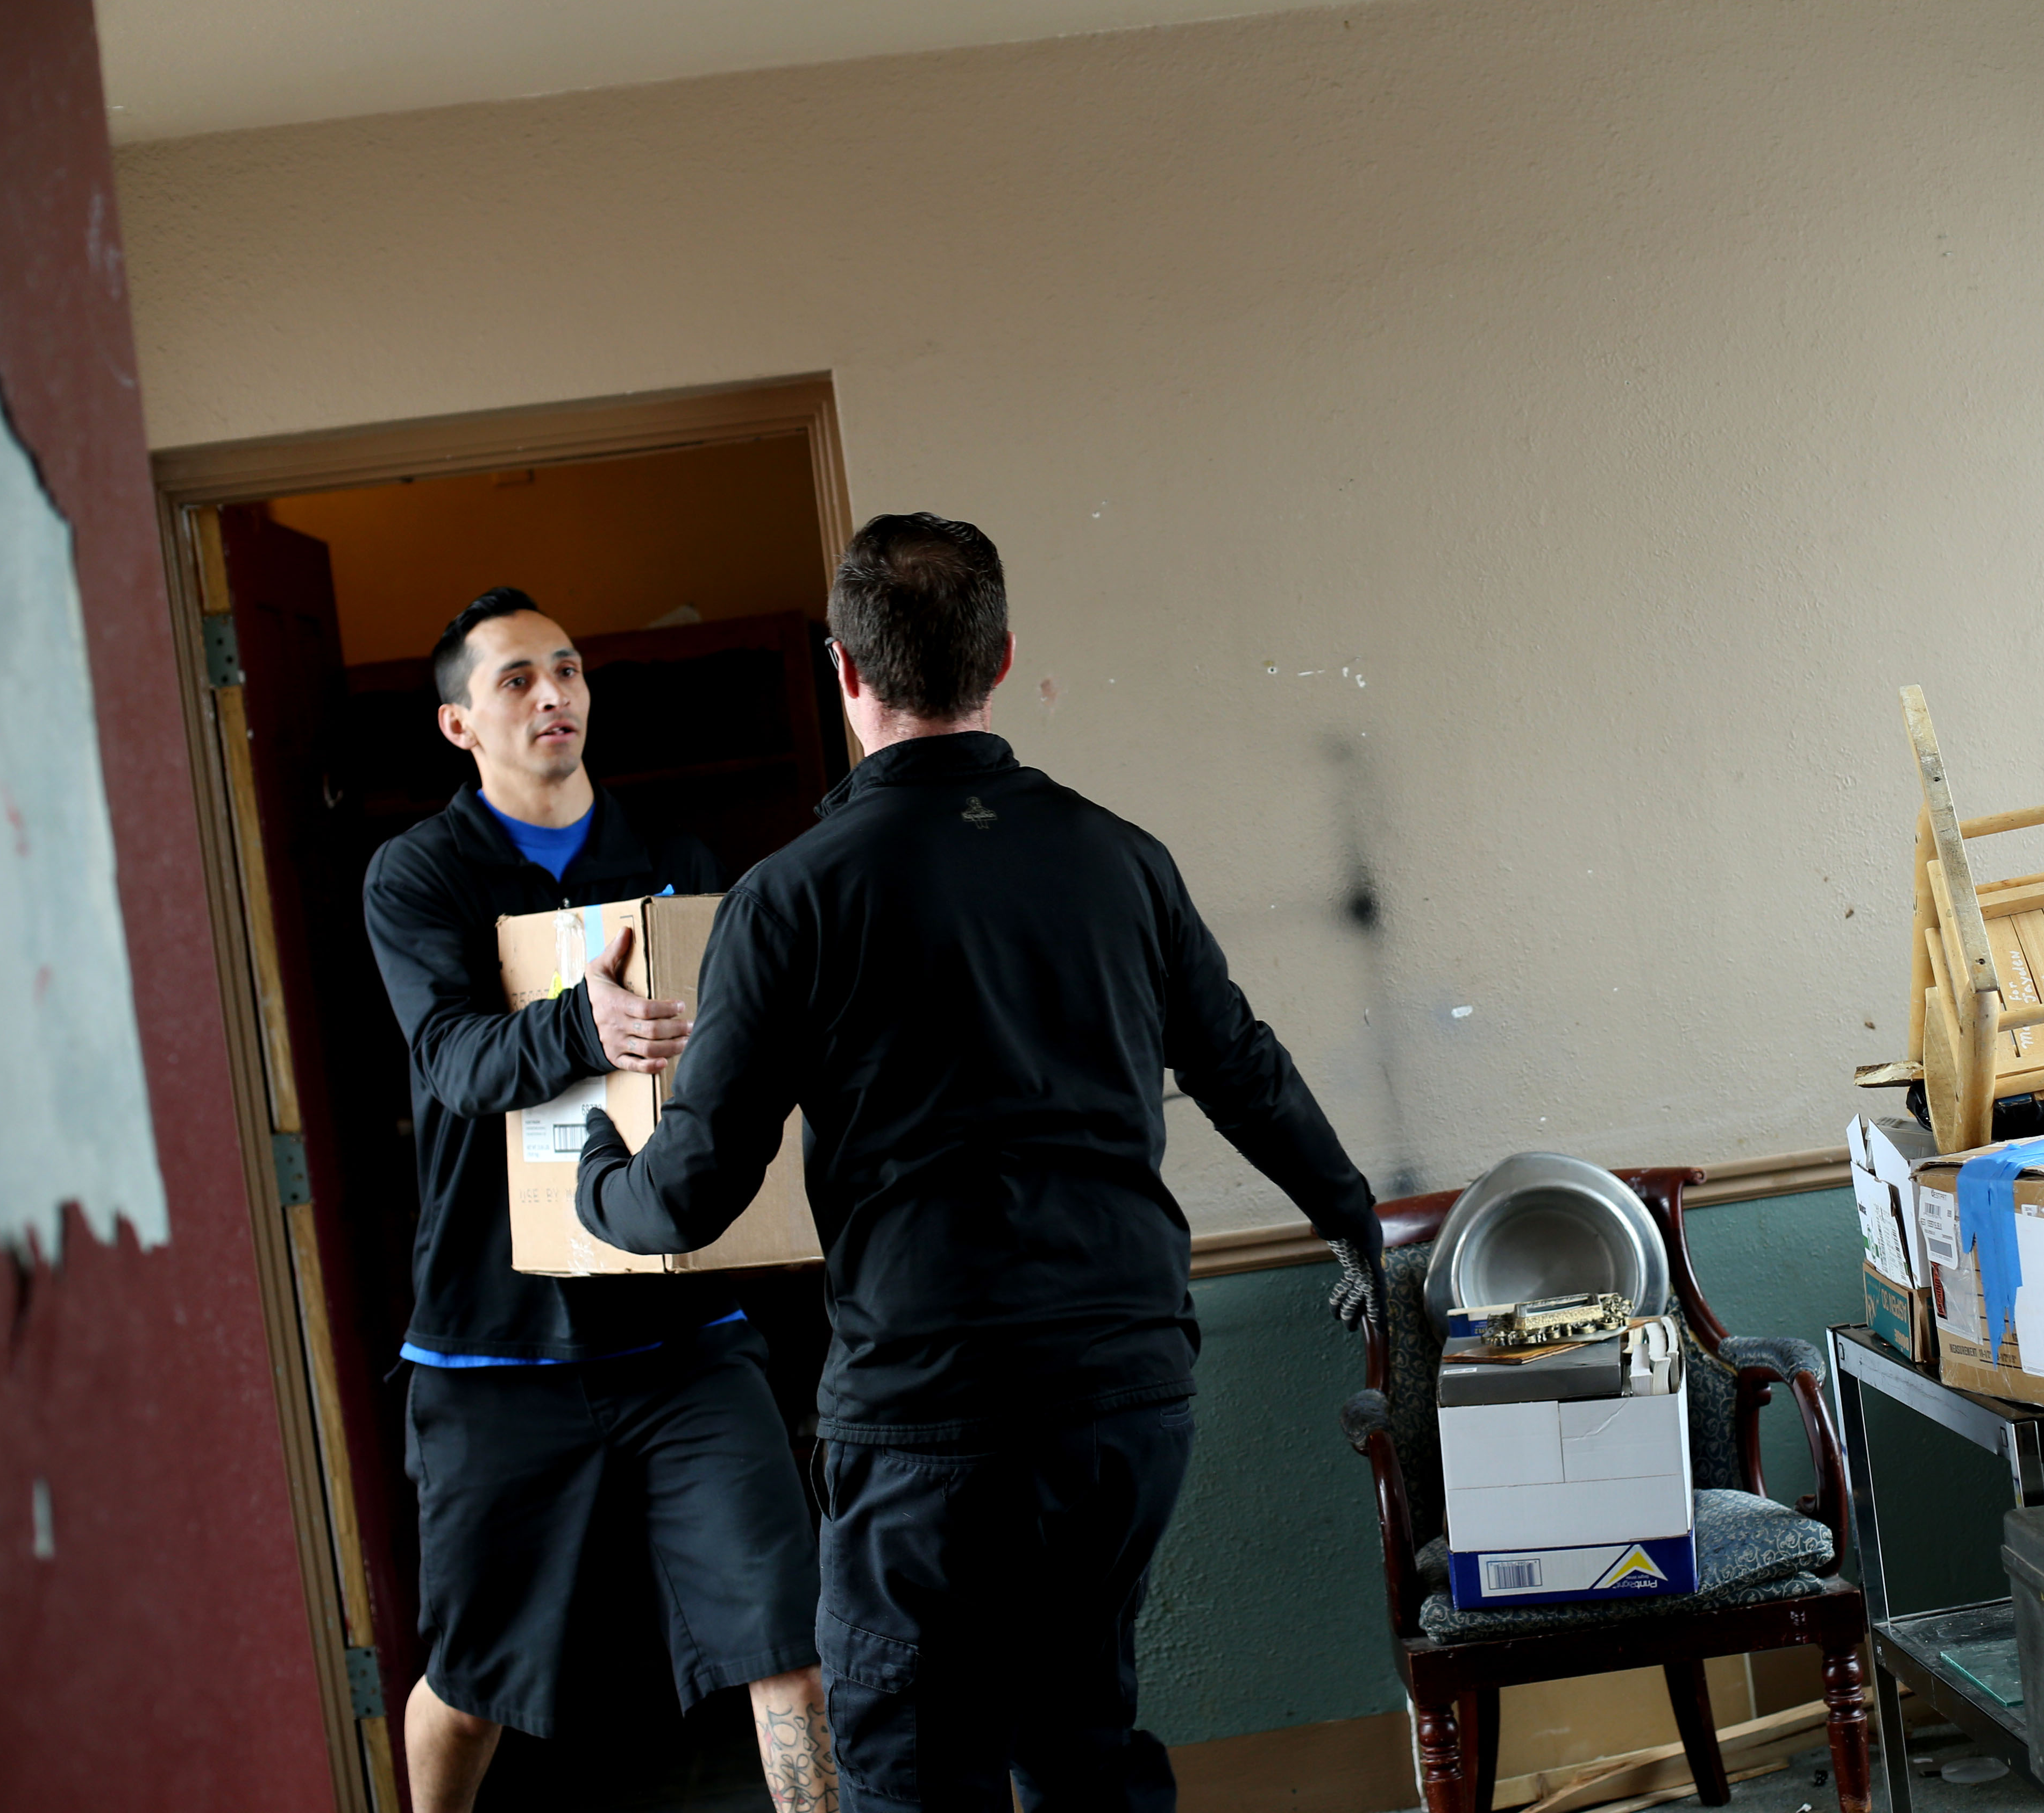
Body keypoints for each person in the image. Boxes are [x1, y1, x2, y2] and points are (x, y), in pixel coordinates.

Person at [574, 516, 1386, 1813]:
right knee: (1078, 1745)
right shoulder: (1120, 861)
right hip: (1126, 1405)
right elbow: (1244, 1070)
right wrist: (1352, 1221)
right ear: (1000, 660)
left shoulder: (788, 900)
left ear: (842, 671)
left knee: (913, 1773)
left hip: (927, 1422)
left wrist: (588, 1167)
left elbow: (687, 1192)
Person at [363, 587, 837, 1813]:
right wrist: (588, 1023)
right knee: (468, 1687)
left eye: (566, 669)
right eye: (515, 679)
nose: (552, 694)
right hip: (492, 1350)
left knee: (790, 1646)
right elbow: (457, 1064)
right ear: (458, 725)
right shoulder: (416, 876)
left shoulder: (674, 864)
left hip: (682, 1339)